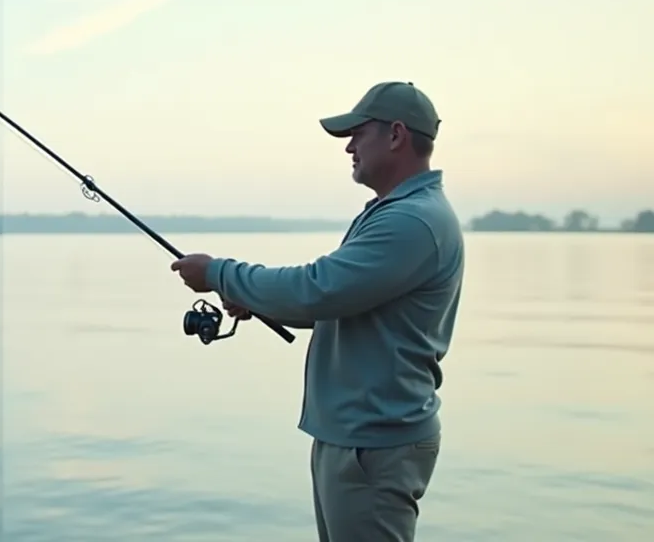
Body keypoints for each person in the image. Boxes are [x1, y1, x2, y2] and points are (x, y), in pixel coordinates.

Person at [170, 81, 464, 542]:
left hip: (373, 443)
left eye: (358, 133)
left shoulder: (411, 220)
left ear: (396, 135)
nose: (349, 146)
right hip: (357, 436)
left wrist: (220, 274)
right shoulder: (395, 213)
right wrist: (253, 296)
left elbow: (317, 290)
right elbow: (336, 300)